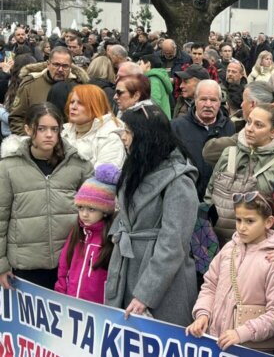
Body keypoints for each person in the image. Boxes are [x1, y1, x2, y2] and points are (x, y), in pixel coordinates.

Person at [104, 103, 198, 326]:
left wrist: (146, 294)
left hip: (162, 285)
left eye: (128, 132)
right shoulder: (137, 166)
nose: (124, 138)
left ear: (146, 137)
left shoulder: (179, 182)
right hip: (127, 267)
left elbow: (173, 245)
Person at [0, 103, 93, 290]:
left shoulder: (79, 164)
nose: (49, 135)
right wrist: (1, 265)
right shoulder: (8, 167)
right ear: (28, 129)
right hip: (25, 266)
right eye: (41, 129)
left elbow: (95, 210)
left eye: (54, 129)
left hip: (70, 262)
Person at [186, 192, 274, 351]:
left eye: (250, 221)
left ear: (268, 222)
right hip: (216, 343)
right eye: (238, 220)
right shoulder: (228, 249)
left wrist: (242, 333)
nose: (242, 227)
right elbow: (210, 286)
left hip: (250, 350)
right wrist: (203, 314)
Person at [204, 103, 274, 244]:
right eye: (249, 122)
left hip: (256, 246)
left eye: (258, 125)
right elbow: (210, 193)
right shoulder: (229, 153)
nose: (249, 129)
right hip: (214, 241)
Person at [55, 163, 119, 304]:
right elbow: (64, 265)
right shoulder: (77, 233)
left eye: (91, 209)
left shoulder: (111, 239)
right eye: (81, 208)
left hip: (98, 311)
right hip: (70, 303)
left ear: (105, 211)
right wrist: (60, 293)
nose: (84, 214)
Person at [171, 80, 236, 200]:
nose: (208, 104)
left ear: (219, 102)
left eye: (213, 100)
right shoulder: (176, 127)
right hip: (186, 197)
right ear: (195, 100)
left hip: (216, 200)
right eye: (203, 99)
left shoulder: (229, 126)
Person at [9, 47, 90, 135]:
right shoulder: (30, 84)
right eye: (56, 65)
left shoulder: (78, 86)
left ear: (71, 66)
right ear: (48, 64)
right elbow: (16, 118)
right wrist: (31, 139)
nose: (60, 69)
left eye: (65, 66)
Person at [62, 84, 125, 168]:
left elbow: (104, 176)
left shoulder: (110, 137)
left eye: (80, 103)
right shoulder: (64, 132)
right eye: (72, 102)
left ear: (96, 106)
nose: (73, 107)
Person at [138, 53, 173, 119]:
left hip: (158, 122)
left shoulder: (153, 79)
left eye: (140, 64)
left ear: (148, 64)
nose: (138, 66)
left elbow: (154, 102)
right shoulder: (158, 77)